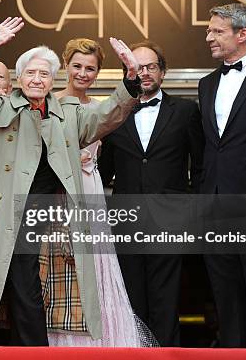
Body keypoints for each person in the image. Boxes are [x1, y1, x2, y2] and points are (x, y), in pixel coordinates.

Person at [0, 17, 143, 346]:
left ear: (52, 79)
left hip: (36, 215)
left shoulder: (68, 113)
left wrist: (130, 79)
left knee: (24, 283)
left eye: (44, 73)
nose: (37, 78)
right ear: (19, 76)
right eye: (30, 71)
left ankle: (33, 352)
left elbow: (107, 116)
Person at [35, 38, 144, 347]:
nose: (83, 73)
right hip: (59, 193)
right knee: (62, 270)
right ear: (65, 65)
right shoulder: (48, 102)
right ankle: (63, 341)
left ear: (98, 72)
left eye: (91, 68)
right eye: (77, 66)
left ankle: (104, 339)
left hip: (90, 191)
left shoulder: (101, 107)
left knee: (96, 266)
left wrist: (131, 74)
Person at [98, 40, 204, 346]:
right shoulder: (113, 112)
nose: (144, 73)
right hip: (125, 221)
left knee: (166, 302)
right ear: (128, 72)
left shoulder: (186, 111)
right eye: (137, 67)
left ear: (163, 71)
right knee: (130, 302)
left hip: (169, 221)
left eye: (151, 66)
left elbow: (198, 169)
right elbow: (102, 172)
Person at [198, 3, 246, 348]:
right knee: (223, 288)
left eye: (217, 31)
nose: (208, 37)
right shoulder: (206, 84)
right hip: (213, 201)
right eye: (209, 30)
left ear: (242, 34)